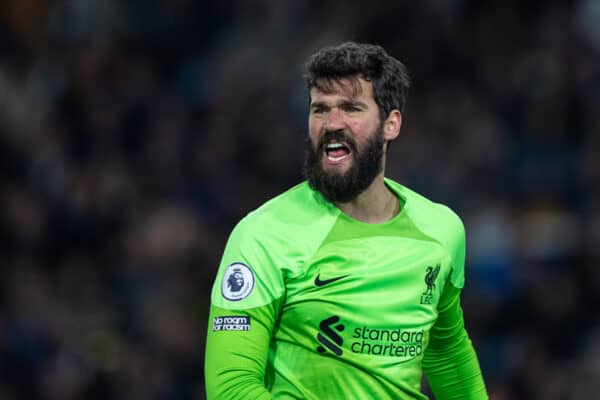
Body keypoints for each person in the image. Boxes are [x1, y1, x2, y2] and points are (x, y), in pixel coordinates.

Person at [204, 41, 488, 399]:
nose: (332, 123)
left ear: (391, 123)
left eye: (351, 108)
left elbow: (446, 352)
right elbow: (231, 389)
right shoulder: (263, 235)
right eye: (320, 109)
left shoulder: (441, 231)